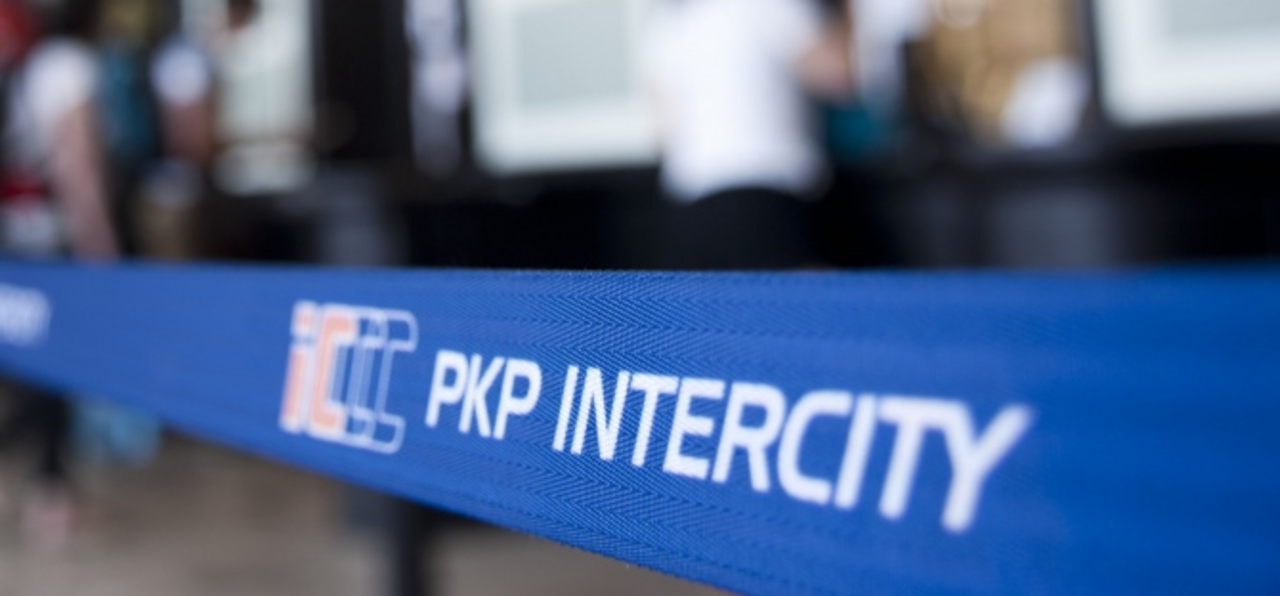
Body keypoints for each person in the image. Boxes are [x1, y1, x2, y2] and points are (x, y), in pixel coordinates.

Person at [0, 0, 118, 548]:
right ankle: (51, 497)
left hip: (12, 241)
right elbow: (78, 165)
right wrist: (99, 242)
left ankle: (48, 491)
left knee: (28, 368)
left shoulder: (23, 62)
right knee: (54, 371)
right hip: (51, 244)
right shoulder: (66, 66)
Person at [643, 0, 854, 269]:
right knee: (808, 295)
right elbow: (838, 76)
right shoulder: (773, 6)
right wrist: (848, 11)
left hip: (689, 208)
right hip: (765, 197)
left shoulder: (669, 22)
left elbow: (661, 129)